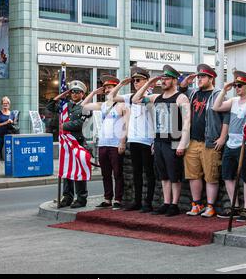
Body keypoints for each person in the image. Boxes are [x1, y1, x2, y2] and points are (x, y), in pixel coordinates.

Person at [132, 65, 191, 217]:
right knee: (163, 175)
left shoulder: (181, 97)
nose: (163, 81)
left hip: (174, 141)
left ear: (174, 80)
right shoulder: (155, 97)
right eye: (162, 79)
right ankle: (166, 202)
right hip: (159, 141)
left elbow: (186, 122)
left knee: (174, 175)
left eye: (166, 79)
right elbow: (135, 99)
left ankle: (174, 204)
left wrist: (183, 144)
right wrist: (148, 83)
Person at [179, 64, 230, 218]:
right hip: (192, 140)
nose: (199, 79)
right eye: (198, 76)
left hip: (210, 141)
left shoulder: (218, 94)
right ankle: (196, 204)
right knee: (193, 174)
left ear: (211, 78)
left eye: (202, 77)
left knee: (211, 175)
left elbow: (226, 116)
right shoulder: (193, 93)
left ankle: (210, 206)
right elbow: (181, 92)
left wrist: (222, 137)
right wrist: (185, 82)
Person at [108, 66, 156, 213]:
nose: (135, 82)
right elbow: (112, 97)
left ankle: (148, 202)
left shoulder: (151, 97)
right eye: (134, 80)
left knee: (149, 173)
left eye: (139, 80)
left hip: (147, 139)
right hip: (134, 139)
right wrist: (121, 84)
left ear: (147, 82)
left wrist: (155, 140)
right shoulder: (130, 96)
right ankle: (137, 201)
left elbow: (155, 119)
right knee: (136, 173)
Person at [212, 71, 246, 222]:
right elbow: (216, 107)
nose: (237, 88)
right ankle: (234, 206)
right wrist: (224, 90)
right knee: (227, 175)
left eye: (240, 85)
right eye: (235, 85)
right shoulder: (234, 101)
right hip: (231, 143)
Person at [82, 75, 129, 210]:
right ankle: (107, 198)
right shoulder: (102, 105)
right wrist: (93, 93)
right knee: (105, 173)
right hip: (103, 143)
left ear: (116, 89)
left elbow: (126, 125)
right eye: (106, 88)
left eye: (110, 88)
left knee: (117, 173)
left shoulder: (122, 105)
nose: (107, 90)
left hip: (115, 144)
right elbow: (84, 106)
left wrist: (122, 142)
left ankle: (118, 199)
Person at [46, 80, 90, 209]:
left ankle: (81, 198)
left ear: (83, 94)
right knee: (67, 169)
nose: (74, 94)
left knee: (78, 171)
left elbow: (82, 123)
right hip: (66, 143)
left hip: (78, 142)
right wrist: (61, 95)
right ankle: (67, 196)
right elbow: (50, 107)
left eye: (77, 92)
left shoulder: (86, 106)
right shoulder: (66, 105)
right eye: (72, 92)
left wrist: (64, 126)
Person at [0, 96, 18, 175]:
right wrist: (5, 122)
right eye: (4, 103)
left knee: (11, 152)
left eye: (7, 103)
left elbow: (15, 124)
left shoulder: (12, 113)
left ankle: (13, 168)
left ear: (9, 104)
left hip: (10, 136)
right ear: (1, 104)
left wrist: (12, 122)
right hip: (0, 136)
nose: (5, 105)